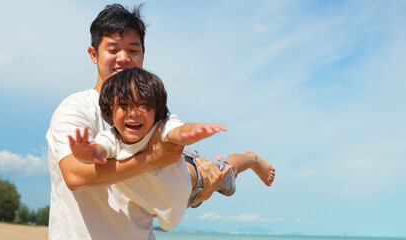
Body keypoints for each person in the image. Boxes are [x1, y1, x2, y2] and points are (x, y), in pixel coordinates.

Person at [46, 3, 275, 240]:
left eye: (133, 50)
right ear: (94, 55)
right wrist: (151, 159)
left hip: (178, 174)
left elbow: (148, 197)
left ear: (143, 54)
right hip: (166, 175)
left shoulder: (150, 112)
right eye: (113, 50)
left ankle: (250, 159)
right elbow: (75, 176)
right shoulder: (76, 109)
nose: (123, 58)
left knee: (225, 172)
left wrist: (199, 186)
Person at [68, 68, 275, 230]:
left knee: (228, 174)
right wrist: (87, 153)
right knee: (217, 169)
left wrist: (194, 131)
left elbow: (178, 131)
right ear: (109, 111)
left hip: (194, 179)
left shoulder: (162, 127)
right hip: (176, 198)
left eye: (142, 105)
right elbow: (99, 152)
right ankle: (220, 160)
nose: (133, 113)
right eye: (124, 106)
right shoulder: (111, 139)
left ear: (157, 109)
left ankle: (251, 159)